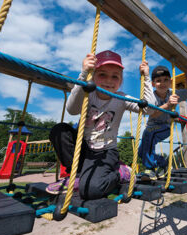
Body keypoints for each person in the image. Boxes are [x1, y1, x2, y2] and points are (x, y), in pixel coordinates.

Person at [46, 50, 155, 200]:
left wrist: (146, 77)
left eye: (115, 76)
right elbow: (72, 110)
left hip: (105, 152)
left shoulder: (122, 99)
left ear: (121, 80)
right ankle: (77, 175)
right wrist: (83, 74)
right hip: (83, 147)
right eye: (102, 74)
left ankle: (121, 173)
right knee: (59, 131)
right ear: (93, 75)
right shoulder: (88, 93)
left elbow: (149, 109)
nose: (108, 80)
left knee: (91, 190)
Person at [138, 66, 187, 180]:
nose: (162, 83)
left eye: (166, 80)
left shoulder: (174, 93)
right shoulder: (152, 96)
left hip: (165, 126)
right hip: (151, 126)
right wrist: (168, 105)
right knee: (141, 153)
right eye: (158, 81)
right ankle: (164, 163)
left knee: (149, 135)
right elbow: (152, 114)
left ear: (171, 82)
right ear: (153, 83)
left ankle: (150, 169)